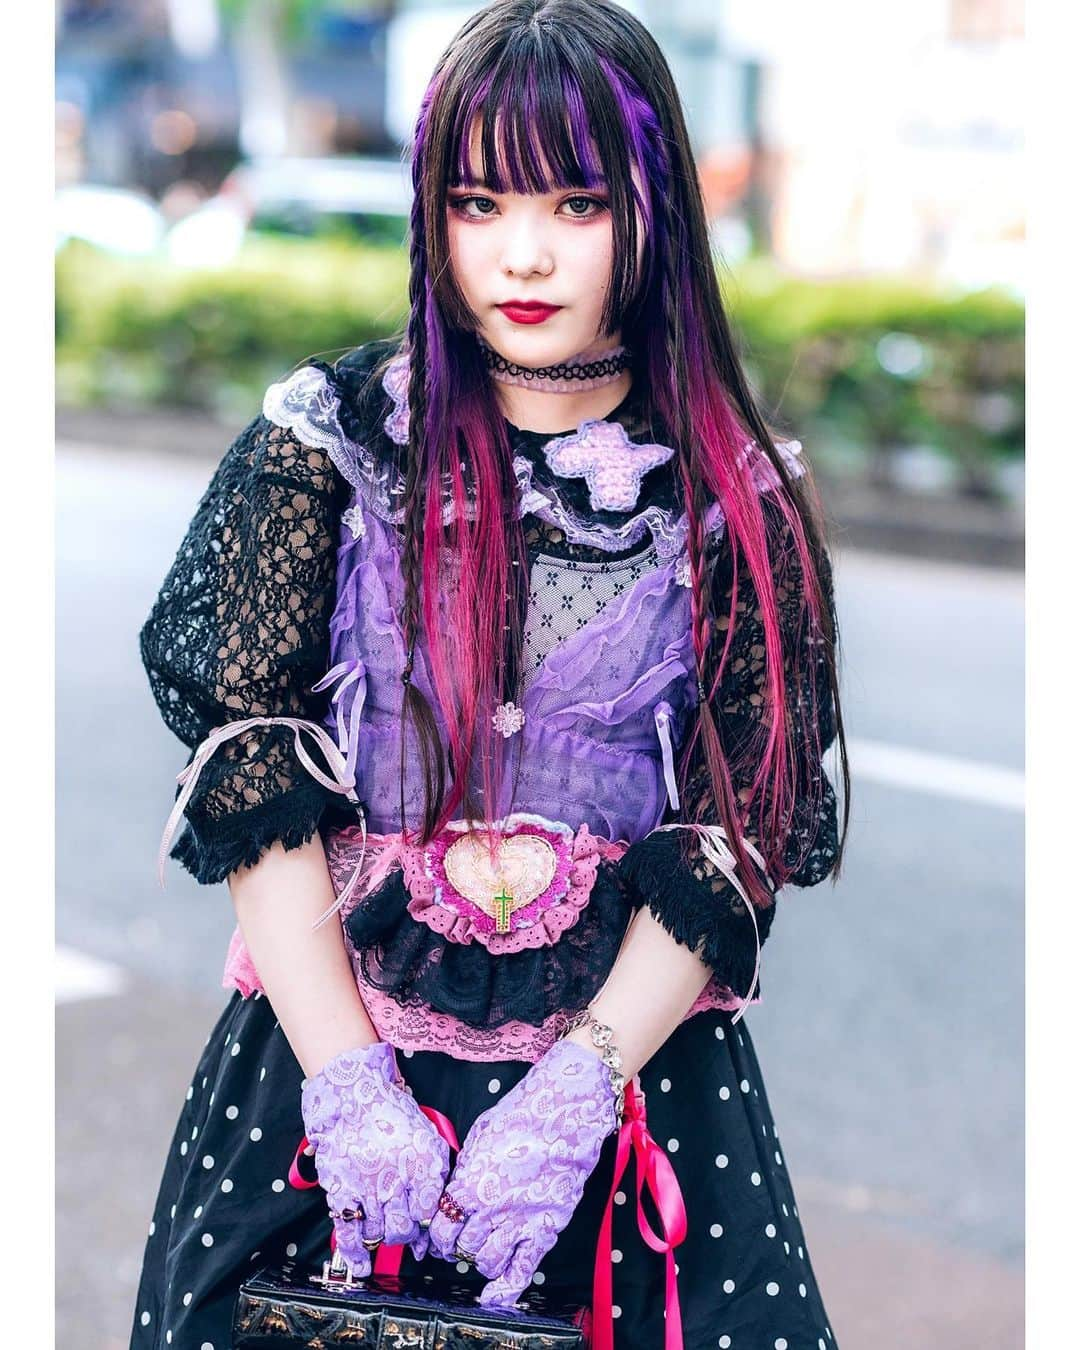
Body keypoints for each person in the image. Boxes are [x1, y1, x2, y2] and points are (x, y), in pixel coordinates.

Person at [129, 2, 851, 1347]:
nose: (522, 253)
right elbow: (256, 768)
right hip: (322, 1081)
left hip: (629, 1104)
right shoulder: (327, 448)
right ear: (432, 213)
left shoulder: (736, 497)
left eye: (577, 202)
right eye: (478, 201)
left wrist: (576, 1091)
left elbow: (737, 827)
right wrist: (346, 1080)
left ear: (654, 212)